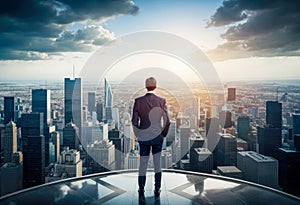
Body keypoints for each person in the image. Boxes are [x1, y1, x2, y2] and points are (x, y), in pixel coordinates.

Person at [132, 77, 170, 197]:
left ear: (145, 86)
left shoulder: (138, 101)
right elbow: (167, 120)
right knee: (157, 164)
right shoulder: (161, 101)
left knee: (142, 164)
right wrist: (163, 134)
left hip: (143, 137)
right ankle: (157, 189)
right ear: (156, 86)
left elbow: (134, 121)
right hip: (157, 137)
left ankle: (141, 189)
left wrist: (138, 134)